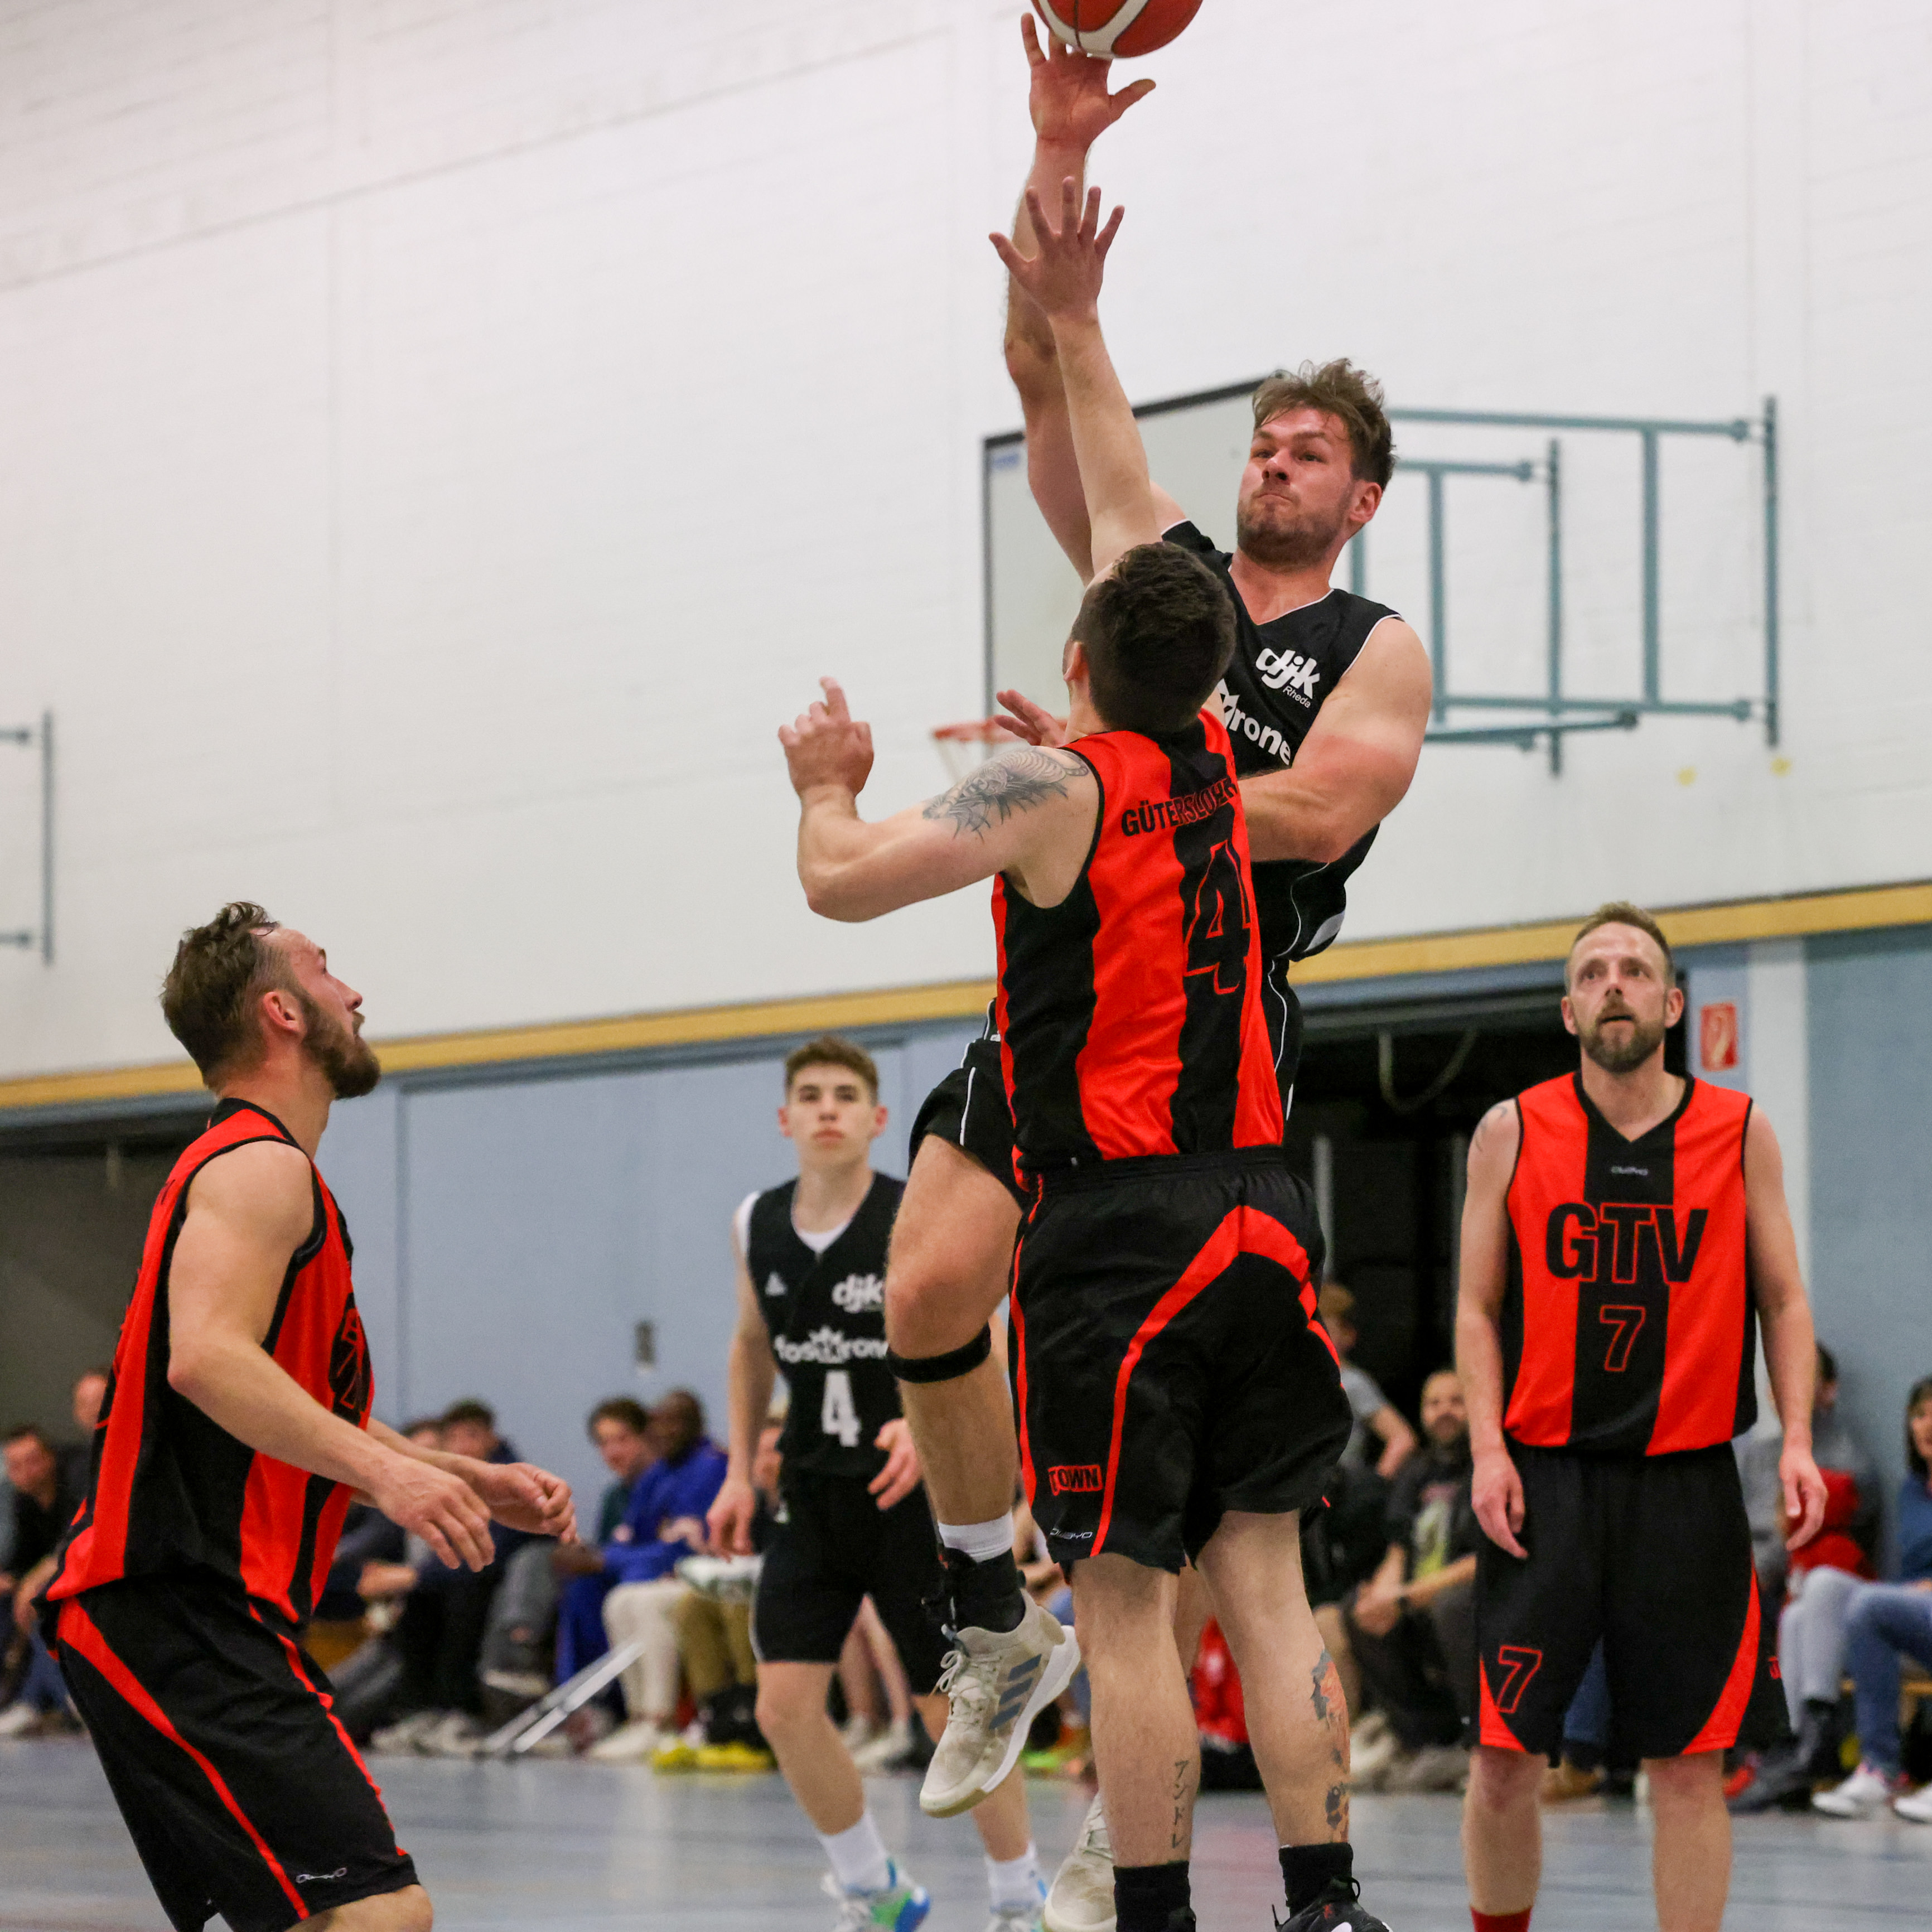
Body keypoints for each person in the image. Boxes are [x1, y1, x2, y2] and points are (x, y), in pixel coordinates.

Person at [780, 172, 1387, 1932]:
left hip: (1120, 1198)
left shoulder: (1098, 760)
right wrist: (1062, 265)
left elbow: (839, 882)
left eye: (1305, 450)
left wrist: (831, 782)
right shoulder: (1195, 750)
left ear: (1075, 652)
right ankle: (1322, 1895)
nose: (1272, 465)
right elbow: (1089, 440)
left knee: (1124, 1599)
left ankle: (1142, 1891)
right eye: (1261, 445)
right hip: (1252, 1192)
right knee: (1257, 1574)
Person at [46, 902, 574, 1932]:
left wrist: (456, 1473)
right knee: (378, 1913)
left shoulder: (268, 1173)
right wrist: (391, 1478)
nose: (356, 993)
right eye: (329, 971)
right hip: (170, 1602)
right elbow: (207, 1360)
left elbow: (289, 1401)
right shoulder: (259, 1166)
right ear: (283, 1011)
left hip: (199, 1611)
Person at [1455, 901, 1827, 1932]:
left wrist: (1796, 1438)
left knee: (1687, 1765)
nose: (1611, 983)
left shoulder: (1739, 1129)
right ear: (1566, 1009)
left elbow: (1783, 1297)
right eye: (1591, 971)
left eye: (1632, 969)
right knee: (1501, 1760)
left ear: (1671, 1003)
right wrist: (1485, 1450)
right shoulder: (1510, 1130)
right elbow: (1475, 1307)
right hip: (1543, 1483)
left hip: (1685, 1485)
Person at [707, 1037, 1045, 1932]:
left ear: (877, 1118)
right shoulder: (754, 1222)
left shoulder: (913, 1211)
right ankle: (874, 1887)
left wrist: (929, 1421)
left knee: (952, 1714)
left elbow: (984, 1329)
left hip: (914, 1504)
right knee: (783, 1706)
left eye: (846, 1095)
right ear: (785, 1118)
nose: (828, 1108)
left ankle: (1021, 1896)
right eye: (811, 1094)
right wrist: (737, 1473)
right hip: (812, 1494)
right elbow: (750, 1347)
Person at [1727, 1344, 1883, 1812]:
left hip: (1801, 1576)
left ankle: (1779, 1750)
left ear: (1828, 1391)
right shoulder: (1757, 1456)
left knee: (1776, 1608)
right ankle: (1762, 1752)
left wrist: (1758, 1571)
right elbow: (1735, 1528)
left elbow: (1816, 1528)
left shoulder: (1849, 1457)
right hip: (1755, 1571)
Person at [1337, 1369, 1479, 1794]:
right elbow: (1399, 1551)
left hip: (1473, 1600)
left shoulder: (1487, 1468)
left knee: (1451, 1605)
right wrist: (1380, 1597)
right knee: (1357, 1610)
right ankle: (1421, 1739)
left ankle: (1482, 1740)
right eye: (1434, 1403)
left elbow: (1485, 1562)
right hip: (1417, 1599)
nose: (1444, 1412)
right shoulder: (1417, 1472)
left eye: (1456, 1401)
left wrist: (1405, 1598)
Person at [1809, 1374, 1932, 1822]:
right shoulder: (1912, 1490)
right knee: (1828, 1587)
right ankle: (1847, 1755)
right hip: (1917, 1609)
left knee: (1871, 1605)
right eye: (1919, 1415)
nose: (1927, 1425)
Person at [591, 1390, 728, 1760]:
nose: (665, 1431)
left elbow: (685, 1548)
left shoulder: (712, 1467)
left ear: (696, 1425)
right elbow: (628, 1538)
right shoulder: (658, 1473)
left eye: (675, 1423)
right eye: (659, 1423)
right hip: (660, 1574)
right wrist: (617, 1560)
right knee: (620, 1601)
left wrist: (619, 1561)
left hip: (705, 1575)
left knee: (648, 1603)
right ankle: (637, 1717)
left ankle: (660, 1718)